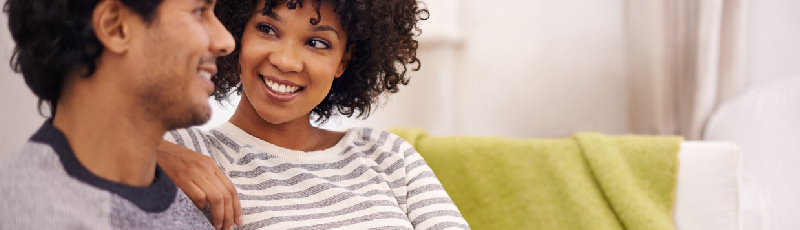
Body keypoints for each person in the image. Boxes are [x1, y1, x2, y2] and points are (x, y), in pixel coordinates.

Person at [157, 0, 471, 229]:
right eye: (267, 29)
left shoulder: (389, 156)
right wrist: (153, 153)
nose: (286, 61)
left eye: (317, 42)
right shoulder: (187, 154)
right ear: (237, 33)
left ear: (343, 60)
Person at [0, 0, 237, 229]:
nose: (226, 41)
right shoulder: (30, 212)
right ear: (114, 26)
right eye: (199, 11)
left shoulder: (189, 203)